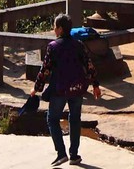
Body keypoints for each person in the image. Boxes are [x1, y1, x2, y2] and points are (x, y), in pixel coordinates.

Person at [32, 13, 101, 167]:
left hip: (60, 89)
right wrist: (95, 84)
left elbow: (45, 70)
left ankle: (61, 153)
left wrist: (36, 88)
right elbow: (89, 65)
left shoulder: (53, 46)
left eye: (55, 26)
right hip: (78, 88)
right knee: (75, 119)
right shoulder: (79, 45)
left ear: (60, 29)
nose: (53, 29)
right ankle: (74, 155)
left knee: (52, 119)